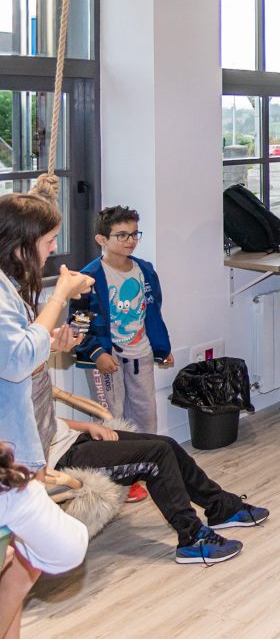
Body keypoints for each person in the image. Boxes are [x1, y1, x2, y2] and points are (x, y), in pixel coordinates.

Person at [44, 394, 269, 564]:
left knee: (167, 444)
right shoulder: (11, 379)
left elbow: (49, 421)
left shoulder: (27, 376)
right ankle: (191, 538)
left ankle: (220, 507)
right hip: (62, 460)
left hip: (76, 440)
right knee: (156, 456)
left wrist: (88, 426)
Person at [71, 206, 175, 502]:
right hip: (106, 359)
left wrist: (161, 347)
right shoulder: (88, 278)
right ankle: (117, 478)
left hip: (140, 354)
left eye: (134, 234)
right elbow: (78, 323)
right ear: (101, 239)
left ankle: (145, 470)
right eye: (121, 235)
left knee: (144, 416)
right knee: (111, 419)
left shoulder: (145, 270)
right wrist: (96, 352)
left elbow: (152, 312)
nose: (130, 240)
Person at [0, 193, 93, 478]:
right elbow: (17, 361)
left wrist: (49, 344)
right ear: (20, 246)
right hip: (11, 446)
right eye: (49, 240)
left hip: (24, 435)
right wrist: (61, 294)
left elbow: (10, 349)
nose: (53, 248)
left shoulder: (10, 284)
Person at [0, 443, 87, 637]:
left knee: (10, 570)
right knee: (13, 588)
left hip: (60, 551)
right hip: (61, 535)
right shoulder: (13, 478)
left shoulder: (6, 499)